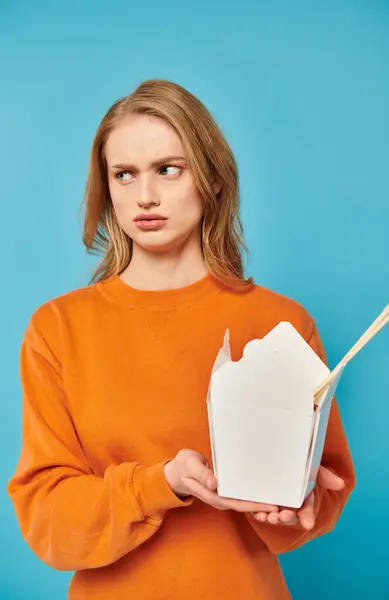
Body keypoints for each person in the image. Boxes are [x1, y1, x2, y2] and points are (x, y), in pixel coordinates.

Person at [8, 79, 355, 600]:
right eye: (124, 174)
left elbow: (323, 489)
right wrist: (160, 484)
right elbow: (47, 519)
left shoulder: (281, 323)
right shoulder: (58, 329)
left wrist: (299, 502)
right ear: (107, 189)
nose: (144, 195)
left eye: (169, 169)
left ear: (212, 179)